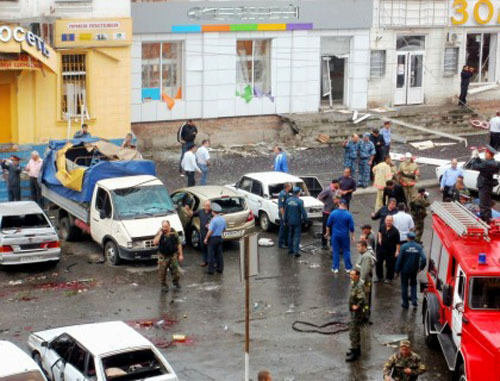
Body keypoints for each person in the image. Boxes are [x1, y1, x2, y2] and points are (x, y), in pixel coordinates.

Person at [395, 232, 426, 309]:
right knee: (413, 284)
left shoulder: (404, 247)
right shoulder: (418, 247)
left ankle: (405, 303)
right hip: (414, 270)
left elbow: (400, 259)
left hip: (405, 270)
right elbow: (424, 259)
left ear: (408, 238)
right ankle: (414, 301)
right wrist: (421, 268)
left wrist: (397, 271)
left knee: (404, 285)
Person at [470, 145, 500, 223]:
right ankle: (486, 219)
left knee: (484, 205)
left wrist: (473, 157)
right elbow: (482, 163)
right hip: (486, 185)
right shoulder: (491, 163)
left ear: (489, 154)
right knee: (485, 204)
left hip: (484, 186)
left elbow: (475, 166)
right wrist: (477, 158)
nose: (484, 154)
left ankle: (486, 221)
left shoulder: (488, 164)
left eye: (485, 153)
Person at [153, 220, 183, 292]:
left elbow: (179, 243)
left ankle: (176, 282)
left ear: (169, 226)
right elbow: (155, 242)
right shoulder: (160, 232)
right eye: (163, 226)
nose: (165, 228)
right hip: (163, 256)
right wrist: (160, 234)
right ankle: (164, 285)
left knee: (176, 271)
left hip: (173, 255)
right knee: (162, 272)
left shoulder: (173, 232)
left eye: (166, 227)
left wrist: (181, 255)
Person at [325, 199, 355, 274]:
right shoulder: (348, 214)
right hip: (344, 235)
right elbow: (351, 227)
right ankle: (348, 268)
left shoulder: (333, 213)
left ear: (339, 204)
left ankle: (335, 268)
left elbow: (328, 225)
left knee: (336, 251)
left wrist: (327, 233)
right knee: (346, 251)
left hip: (335, 235)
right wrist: (352, 236)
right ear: (345, 205)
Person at [345, 269, 366, 362]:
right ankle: (356, 349)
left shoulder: (359, 285)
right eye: (350, 274)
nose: (351, 276)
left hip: (357, 312)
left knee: (354, 331)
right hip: (354, 312)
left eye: (353, 275)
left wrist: (356, 306)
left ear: (357, 275)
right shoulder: (354, 283)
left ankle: (355, 352)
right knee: (354, 330)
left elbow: (362, 298)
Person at [186, 200, 212, 267]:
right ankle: (205, 261)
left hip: (210, 234)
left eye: (209, 206)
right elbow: (191, 214)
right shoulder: (201, 211)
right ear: (204, 206)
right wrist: (188, 210)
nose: (207, 207)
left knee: (210, 249)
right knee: (203, 248)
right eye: (206, 205)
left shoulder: (212, 212)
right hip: (202, 233)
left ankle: (211, 263)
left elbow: (217, 218)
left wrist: (210, 224)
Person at [284, 187, 308, 257]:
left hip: (290, 221)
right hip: (297, 222)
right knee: (297, 237)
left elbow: (286, 212)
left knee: (290, 235)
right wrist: (306, 221)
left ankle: (290, 249)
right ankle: (296, 252)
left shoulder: (288, 200)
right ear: (298, 193)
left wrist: (285, 220)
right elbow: (303, 212)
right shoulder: (300, 201)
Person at [355, 240, 376, 321]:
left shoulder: (366, 256)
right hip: (364, 280)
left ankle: (365, 314)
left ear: (364, 247)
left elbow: (364, 270)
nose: (357, 248)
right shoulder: (363, 254)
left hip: (365, 281)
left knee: (365, 298)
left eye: (359, 247)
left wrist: (361, 281)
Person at [376, 215, 400, 283]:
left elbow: (398, 243)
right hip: (381, 249)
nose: (388, 222)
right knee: (378, 262)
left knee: (390, 264)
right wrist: (380, 238)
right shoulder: (382, 226)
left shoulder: (395, 231)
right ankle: (379, 277)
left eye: (390, 221)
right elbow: (379, 232)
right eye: (387, 220)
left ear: (392, 221)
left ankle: (389, 278)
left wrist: (397, 251)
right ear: (385, 220)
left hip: (390, 250)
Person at [204, 203, 227, 274]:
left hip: (213, 239)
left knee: (211, 254)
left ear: (213, 212)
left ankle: (211, 270)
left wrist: (206, 238)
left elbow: (210, 231)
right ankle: (220, 269)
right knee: (219, 254)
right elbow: (224, 229)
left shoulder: (213, 220)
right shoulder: (223, 219)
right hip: (219, 237)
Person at [317, 180, 340, 249]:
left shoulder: (336, 190)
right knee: (325, 228)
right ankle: (324, 244)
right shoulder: (327, 190)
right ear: (334, 183)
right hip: (327, 212)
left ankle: (331, 242)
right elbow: (319, 197)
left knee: (333, 228)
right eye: (338, 184)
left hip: (333, 212)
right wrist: (325, 204)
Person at [278, 182, 292, 249]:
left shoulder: (286, 193)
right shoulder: (283, 194)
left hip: (286, 214)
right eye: (290, 186)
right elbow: (281, 206)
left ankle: (286, 242)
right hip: (283, 214)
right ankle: (281, 243)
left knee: (286, 228)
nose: (291, 187)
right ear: (288, 187)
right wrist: (283, 216)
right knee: (283, 228)